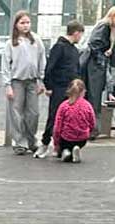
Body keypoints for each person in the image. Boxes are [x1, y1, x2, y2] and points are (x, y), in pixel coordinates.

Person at [36, 20, 84, 156]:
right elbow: (49, 68)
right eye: (81, 34)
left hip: (72, 89)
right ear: (76, 33)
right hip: (58, 88)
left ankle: (63, 147)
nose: (81, 37)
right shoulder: (59, 47)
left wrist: (79, 87)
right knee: (54, 116)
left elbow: (77, 70)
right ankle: (45, 143)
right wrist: (49, 86)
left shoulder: (74, 50)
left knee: (70, 118)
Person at [1, 10, 46, 156]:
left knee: (34, 113)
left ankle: (31, 140)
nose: (25, 25)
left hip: (32, 82)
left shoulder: (36, 40)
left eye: (27, 22)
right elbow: (5, 65)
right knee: (16, 113)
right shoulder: (10, 43)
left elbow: (42, 60)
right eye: (22, 23)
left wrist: (41, 80)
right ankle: (20, 142)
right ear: (16, 25)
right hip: (17, 82)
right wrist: (7, 85)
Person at [82, 6, 115, 138]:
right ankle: (92, 128)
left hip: (96, 65)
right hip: (96, 66)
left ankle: (91, 128)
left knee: (93, 96)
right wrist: (103, 55)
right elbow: (94, 45)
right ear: (114, 16)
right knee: (94, 96)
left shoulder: (104, 27)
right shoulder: (105, 27)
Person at [51, 79, 95, 162]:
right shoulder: (87, 105)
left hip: (66, 138)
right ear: (83, 92)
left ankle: (66, 151)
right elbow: (92, 121)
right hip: (82, 138)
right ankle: (75, 148)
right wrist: (89, 131)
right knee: (78, 142)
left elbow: (57, 126)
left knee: (64, 142)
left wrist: (56, 143)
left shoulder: (64, 106)